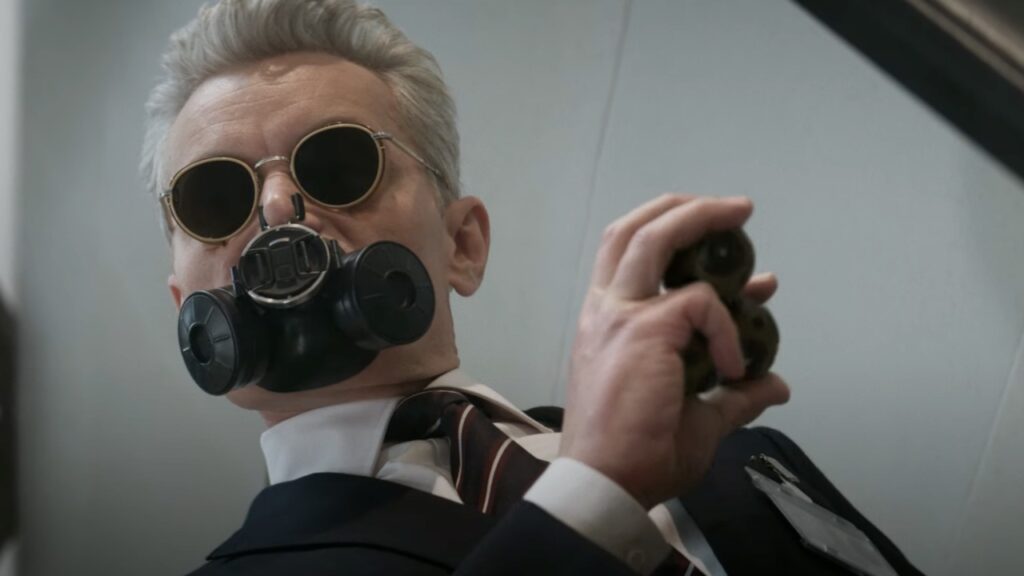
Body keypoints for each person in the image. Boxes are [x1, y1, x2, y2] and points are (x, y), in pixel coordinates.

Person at [141, 1, 921, 574]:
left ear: (463, 244)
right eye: (214, 197)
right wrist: (596, 494)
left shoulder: (744, 453)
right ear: (187, 311)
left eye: (338, 165)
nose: (279, 206)